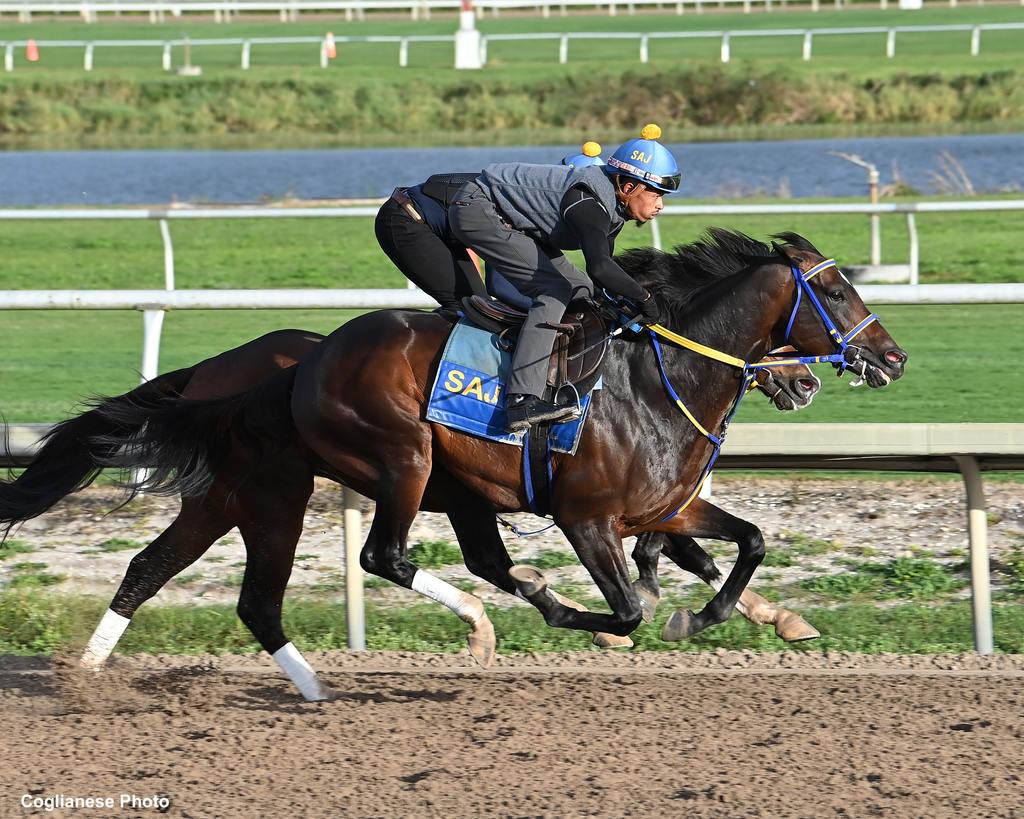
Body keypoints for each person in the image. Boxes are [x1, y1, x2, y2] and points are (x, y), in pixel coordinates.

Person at [449, 124, 681, 432]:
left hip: (511, 219)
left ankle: (558, 366)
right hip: (477, 208)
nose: (660, 205)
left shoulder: (611, 207)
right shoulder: (589, 204)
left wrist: (628, 306)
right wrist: (645, 298)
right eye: (656, 194)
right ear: (627, 187)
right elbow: (600, 266)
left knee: (581, 289)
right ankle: (522, 398)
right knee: (553, 290)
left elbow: (600, 278)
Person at [374, 172, 488, 313]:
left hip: (440, 222)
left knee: (478, 303)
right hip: (406, 219)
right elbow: (501, 285)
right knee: (472, 306)